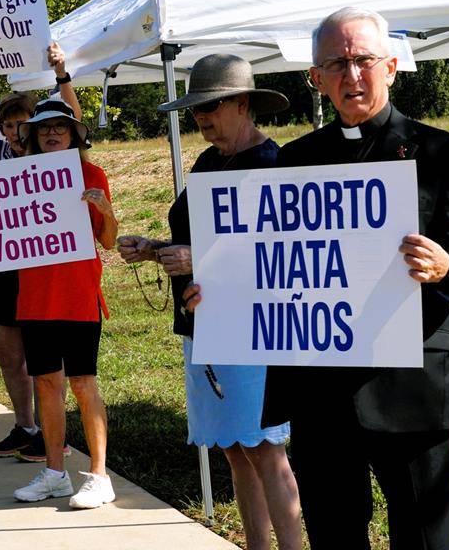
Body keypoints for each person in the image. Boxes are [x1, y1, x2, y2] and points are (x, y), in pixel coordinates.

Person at [187, 7, 449, 550]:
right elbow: (259, 260)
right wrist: (215, 292)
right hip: (319, 391)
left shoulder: (444, 153)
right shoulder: (294, 162)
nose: (352, 75)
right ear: (315, 78)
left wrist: (446, 266)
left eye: (363, 60)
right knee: (333, 533)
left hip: (412, 387)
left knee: (424, 536)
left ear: (392, 67)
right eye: (336, 64)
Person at [117, 54, 302, 550]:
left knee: (265, 449)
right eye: (197, 109)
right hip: (203, 324)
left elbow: (283, 254)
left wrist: (200, 261)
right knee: (235, 452)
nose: (202, 117)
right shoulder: (207, 161)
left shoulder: (274, 165)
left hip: (251, 327)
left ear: (243, 104)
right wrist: (154, 249)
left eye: (212, 106)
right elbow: (200, 240)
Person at [0, 98, 119, 508]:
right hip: (35, 299)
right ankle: (55, 472)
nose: (52, 133)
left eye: (60, 127)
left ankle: (99, 475)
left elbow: (109, 240)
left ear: (75, 134)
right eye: (44, 129)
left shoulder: (92, 174)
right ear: (33, 137)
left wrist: (105, 209)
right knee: (46, 383)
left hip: (78, 297)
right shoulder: (15, 178)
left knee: (82, 383)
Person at [0, 43, 80, 461]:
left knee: (45, 356)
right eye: (6, 124)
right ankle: (25, 425)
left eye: (19, 122)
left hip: (46, 266)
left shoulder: (53, 153)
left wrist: (61, 73)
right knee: (8, 350)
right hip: (8, 266)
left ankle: (49, 431)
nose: (12, 131)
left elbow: (73, 121)